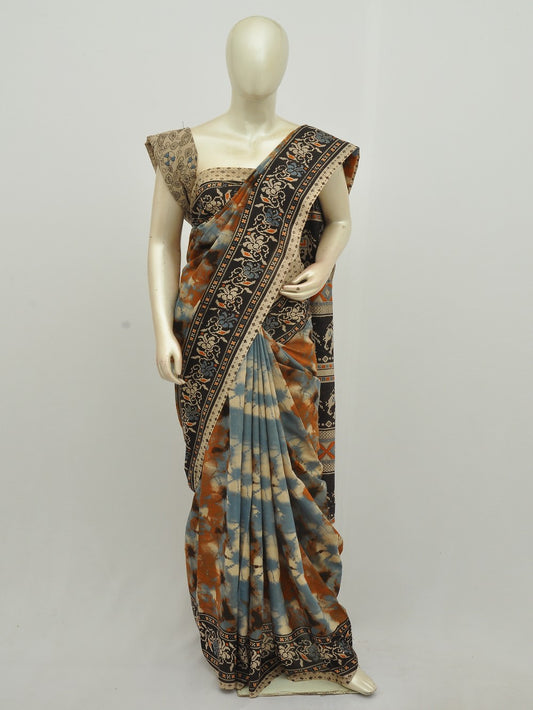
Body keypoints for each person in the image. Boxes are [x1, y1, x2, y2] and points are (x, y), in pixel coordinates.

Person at [145, 14, 377, 699]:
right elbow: (160, 243)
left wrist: (323, 263)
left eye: (269, 55)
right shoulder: (184, 150)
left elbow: (339, 219)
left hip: (283, 342)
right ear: (228, 61)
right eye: (247, 54)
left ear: (284, 64)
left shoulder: (313, 152)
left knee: (295, 480)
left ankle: (317, 645)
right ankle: (238, 640)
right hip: (209, 340)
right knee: (223, 486)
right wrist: (161, 330)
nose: (258, 67)